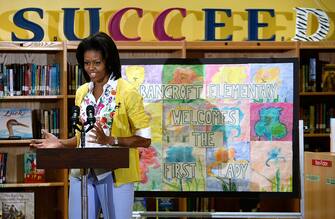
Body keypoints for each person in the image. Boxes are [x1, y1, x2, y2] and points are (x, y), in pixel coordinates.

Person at [30, 32, 151, 219]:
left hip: (116, 174)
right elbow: (82, 138)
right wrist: (60, 144)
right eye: (86, 63)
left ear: (108, 61)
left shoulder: (128, 92)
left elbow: (145, 139)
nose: (91, 68)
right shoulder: (82, 92)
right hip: (82, 172)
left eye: (97, 63)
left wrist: (112, 140)